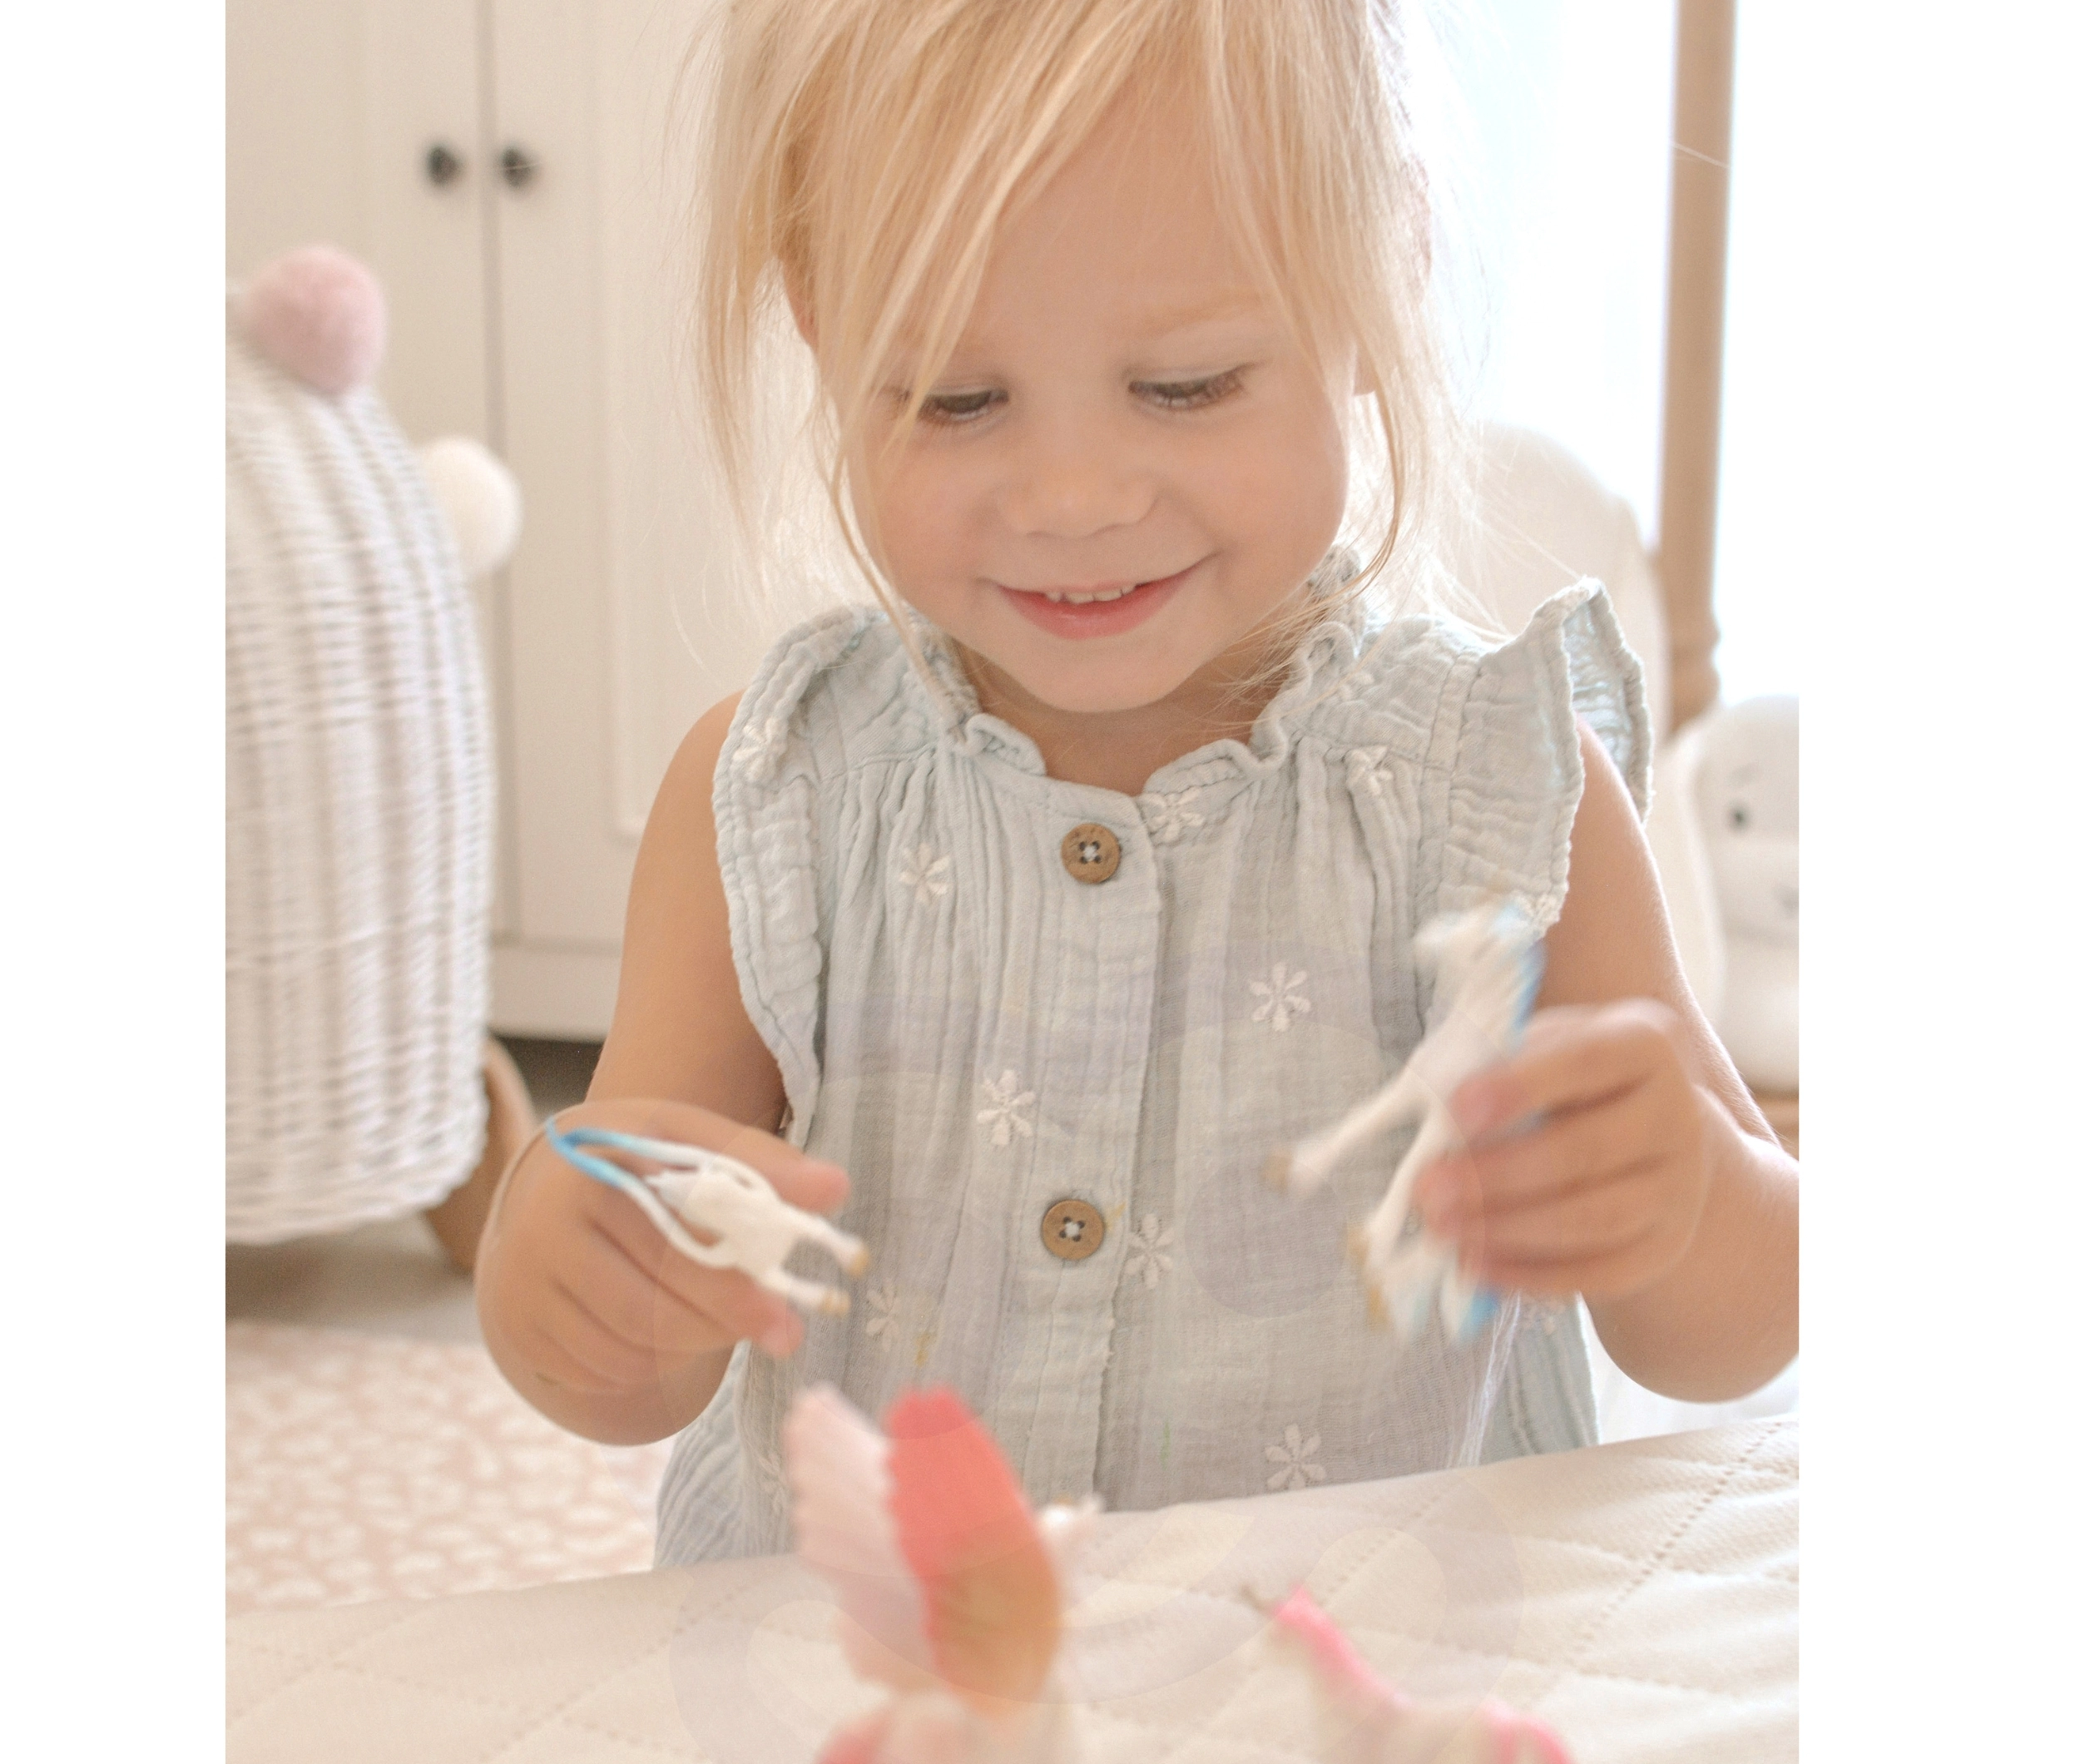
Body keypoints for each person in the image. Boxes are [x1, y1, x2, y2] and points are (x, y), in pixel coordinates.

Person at [476, 0, 1797, 1566]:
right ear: (824, 327)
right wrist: (572, 1279)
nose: (1075, 497)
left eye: (1186, 385)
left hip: (1361, 1675)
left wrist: (1680, 1197)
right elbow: (633, 1354)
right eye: (957, 398)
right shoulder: (775, 795)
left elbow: (1731, 1331)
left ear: (1384, 273)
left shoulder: (1498, 788)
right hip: (872, 1679)